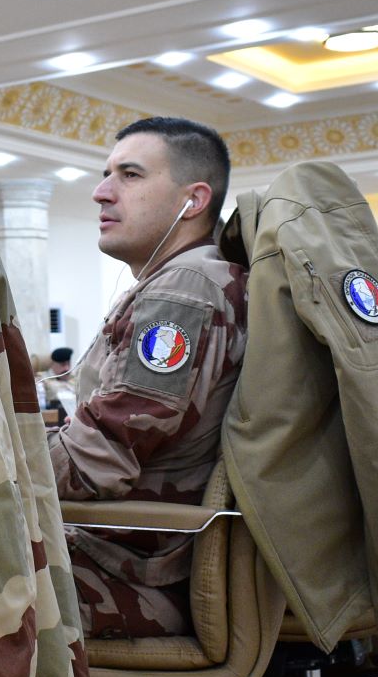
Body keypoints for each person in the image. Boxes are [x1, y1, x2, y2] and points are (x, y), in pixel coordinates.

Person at [50, 117, 248, 640]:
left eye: (130, 175)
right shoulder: (198, 278)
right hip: (142, 550)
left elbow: (97, 461)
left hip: (133, 566)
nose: (100, 192)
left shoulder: (182, 290)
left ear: (194, 200)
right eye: (106, 174)